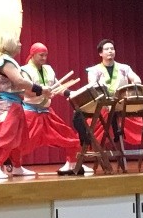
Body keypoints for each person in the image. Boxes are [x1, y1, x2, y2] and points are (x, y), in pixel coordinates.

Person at [87, 39, 143, 170]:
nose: (110, 51)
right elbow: (92, 85)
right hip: (105, 108)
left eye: (112, 48)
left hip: (123, 108)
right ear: (100, 53)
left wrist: (136, 83)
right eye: (107, 49)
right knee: (88, 131)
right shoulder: (94, 70)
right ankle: (78, 163)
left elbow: (135, 78)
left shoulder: (124, 68)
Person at [0, 33, 53, 180]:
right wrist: (40, 89)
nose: (20, 44)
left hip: (15, 103)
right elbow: (19, 81)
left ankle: (17, 166)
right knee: (4, 135)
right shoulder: (6, 62)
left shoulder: (10, 61)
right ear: (10, 44)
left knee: (18, 138)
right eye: (17, 42)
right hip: (7, 104)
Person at [20, 43, 93, 174]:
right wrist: (43, 92)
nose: (44, 58)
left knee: (69, 137)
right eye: (41, 55)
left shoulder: (48, 69)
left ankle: (73, 163)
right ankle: (12, 166)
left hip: (46, 112)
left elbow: (58, 86)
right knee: (23, 141)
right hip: (31, 112)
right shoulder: (24, 70)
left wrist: (71, 93)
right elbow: (26, 91)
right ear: (32, 54)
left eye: (46, 55)